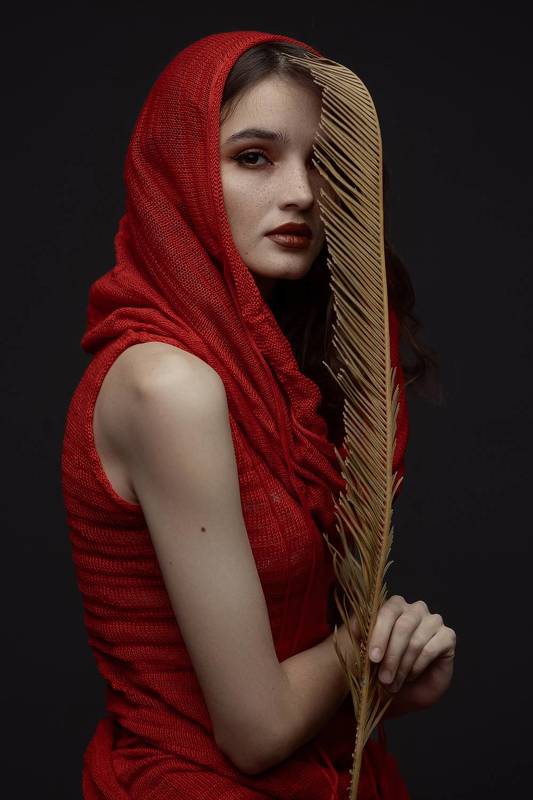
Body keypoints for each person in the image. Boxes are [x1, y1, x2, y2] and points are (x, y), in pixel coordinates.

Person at [61, 30, 455, 799]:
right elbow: (253, 731)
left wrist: (395, 669)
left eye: (321, 162)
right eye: (253, 157)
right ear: (180, 174)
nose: (302, 192)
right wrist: (360, 644)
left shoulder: (273, 380)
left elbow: (294, 668)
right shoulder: (167, 385)